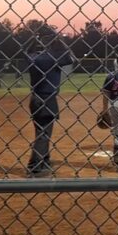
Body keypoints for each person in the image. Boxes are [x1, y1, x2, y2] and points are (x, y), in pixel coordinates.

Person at [25, 34, 77, 177]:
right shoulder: (53, 58)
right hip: (47, 99)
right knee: (43, 134)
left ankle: (45, 161)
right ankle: (35, 167)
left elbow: (27, 51)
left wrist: (33, 39)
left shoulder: (33, 58)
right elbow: (72, 57)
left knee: (42, 132)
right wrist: (60, 41)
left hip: (35, 99)